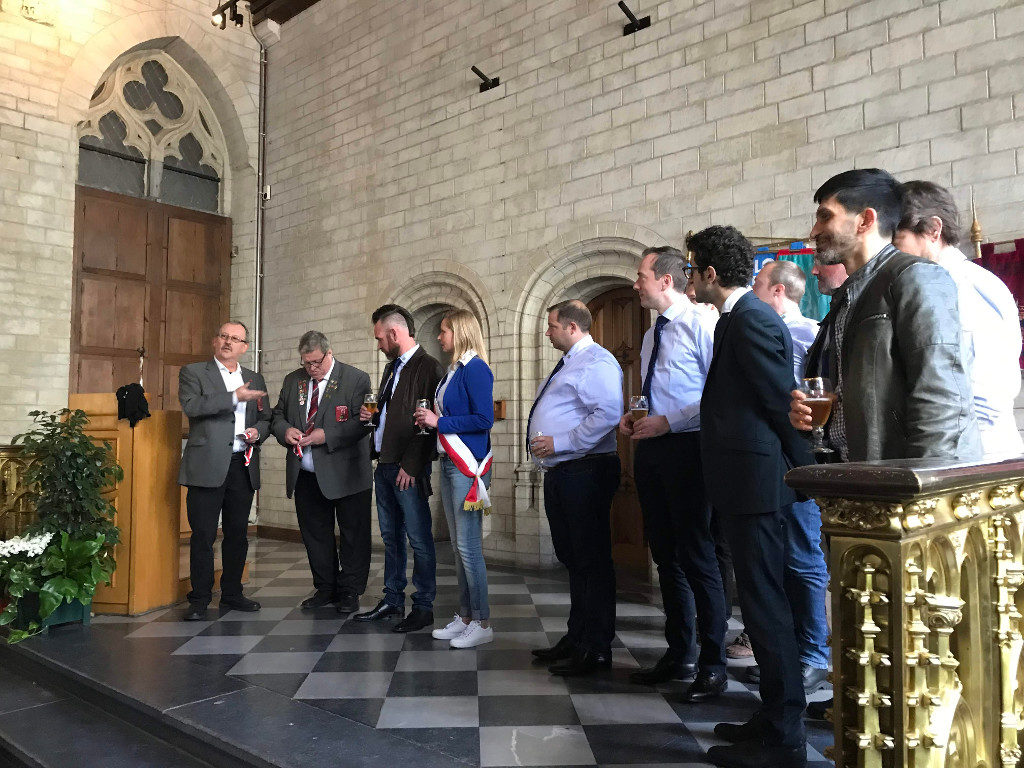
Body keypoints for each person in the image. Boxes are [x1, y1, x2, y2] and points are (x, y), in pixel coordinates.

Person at [690, 225, 815, 768]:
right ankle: (773, 715)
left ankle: (785, 734)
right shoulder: (736, 320)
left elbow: (780, 403)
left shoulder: (750, 321)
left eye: (692, 268)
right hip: (742, 483)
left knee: (765, 606)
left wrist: (807, 477)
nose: (691, 277)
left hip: (757, 486)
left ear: (710, 273)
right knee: (761, 605)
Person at [619, 246, 728, 702]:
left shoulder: (703, 323)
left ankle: (713, 663)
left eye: (640, 275)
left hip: (689, 450)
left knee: (697, 556)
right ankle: (678, 651)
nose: (635, 283)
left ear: (665, 280)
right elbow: (657, 391)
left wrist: (671, 421)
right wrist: (637, 415)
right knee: (665, 555)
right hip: (652, 451)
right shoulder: (649, 335)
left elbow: (720, 392)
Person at [740, 260, 830, 695]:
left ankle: (814, 655)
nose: (752, 291)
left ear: (777, 292)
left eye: (758, 284)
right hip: (772, 461)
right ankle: (791, 653)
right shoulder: (760, 328)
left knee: (803, 556)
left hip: (802, 458)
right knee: (780, 558)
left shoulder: (808, 333)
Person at [894, 180, 1023, 459]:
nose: (892, 254)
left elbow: (980, 390)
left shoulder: (955, 286)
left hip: (974, 453)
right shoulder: (969, 280)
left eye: (897, 240)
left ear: (933, 230)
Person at [527, 300, 623, 677]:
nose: (547, 332)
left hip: (586, 470)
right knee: (573, 558)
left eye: (551, 326)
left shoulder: (596, 362)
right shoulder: (571, 362)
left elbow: (609, 413)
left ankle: (597, 649)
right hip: (565, 473)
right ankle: (576, 637)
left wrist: (561, 442)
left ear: (570, 327)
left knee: (591, 561)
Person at [355, 305, 444, 633]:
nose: (378, 344)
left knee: (419, 538)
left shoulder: (428, 367)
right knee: (391, 536)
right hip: (385, 463)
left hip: (407, 469)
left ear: (393, 334)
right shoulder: (392, 368)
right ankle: (392, 599)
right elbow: (396, 412)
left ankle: (423, 606)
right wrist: (373, 416)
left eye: (379, 337)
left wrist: (412, 465)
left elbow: (426, 424)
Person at [270, 331, 372, 615]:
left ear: (329, 353)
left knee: (353, 534)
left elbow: (362, 424)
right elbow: (277, 415)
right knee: (316, 535)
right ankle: (325, 587)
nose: (311, 369)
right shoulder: (294, 380)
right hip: (306, 474)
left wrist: (326, 435)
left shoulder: (355, 379)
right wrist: (285, 430)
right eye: (306, 363)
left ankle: (350, 591)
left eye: (316, 362)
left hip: (348, 473)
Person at [414, 309, 496, 648]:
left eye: (444, 330)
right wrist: (431, 423)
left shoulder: (476, 369)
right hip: (448, 461)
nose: (438, 336)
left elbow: (484, 418)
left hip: (468, 467)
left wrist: (440, 423)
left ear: (459, 331)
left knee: (468, 546)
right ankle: (465, 616)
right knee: (458, 548)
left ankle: (482, 620)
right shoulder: (453, 370)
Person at [178, 321, 269, 621]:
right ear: (215, 341)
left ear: (244, 347)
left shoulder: (255, 377)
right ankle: (200, 599)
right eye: (224, 336)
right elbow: (192, 406)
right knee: (203, 535)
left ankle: (232, 593)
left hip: (241, 466)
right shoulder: (193, 373)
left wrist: (258, 431)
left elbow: (266, 418)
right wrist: (234, 398)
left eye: (236, 339)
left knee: (237, 534)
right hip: (206, 466)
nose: (229, 342)